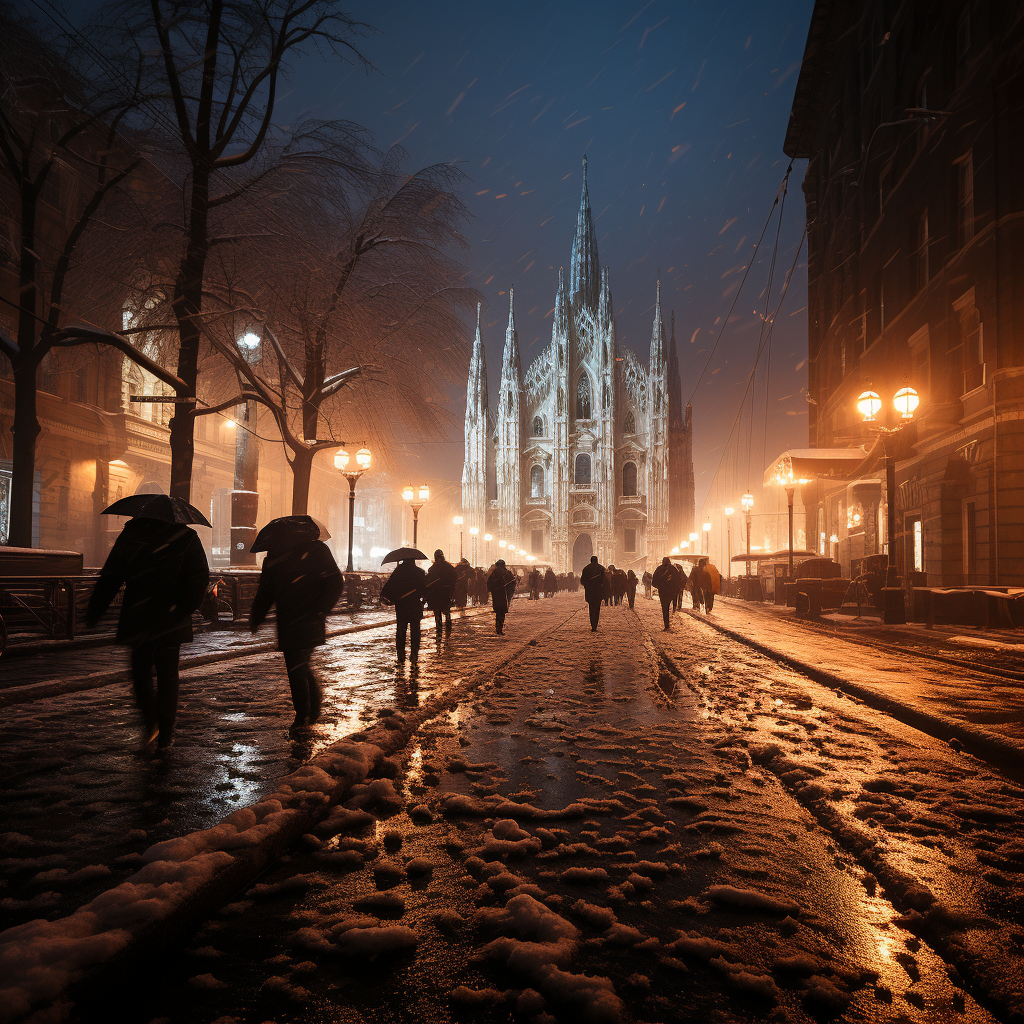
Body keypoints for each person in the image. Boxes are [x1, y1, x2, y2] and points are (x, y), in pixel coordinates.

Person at [87, 516, 209, 751]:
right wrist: (184, 609)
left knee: (140, 671)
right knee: (168, 674)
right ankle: (165, 727)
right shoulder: (186, 537)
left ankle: (150, 720)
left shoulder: (132, 535)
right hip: (170, 618)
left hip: (138, 615)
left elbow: (111, 576)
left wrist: (95, 610)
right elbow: (199, 576)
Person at [249, 520, 344, 732]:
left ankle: (304, 714)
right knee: (297, 666)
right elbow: (267, 592)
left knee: (297, 666)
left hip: (303, 618)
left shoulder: (300, 553)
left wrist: (320, 610)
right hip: (297, 619)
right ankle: (308, 709)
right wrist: (257, 616)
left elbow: (335, 582)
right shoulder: (311, 551)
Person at [381, 558, 426, 666]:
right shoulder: (420, 572)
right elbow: (424, 589)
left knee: (401, 630)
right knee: (415, 630)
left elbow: (388, 588)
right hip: (415, 605)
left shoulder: (398, 571)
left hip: (401, 605)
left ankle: (401, 656)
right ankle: (414, 654)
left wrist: (390, 598)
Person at [425, 549, 457, 634]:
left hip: (439, 593)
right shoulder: (448, 567)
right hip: (444, 593)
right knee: (444, 612)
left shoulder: (433, 569)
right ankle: (445, 628)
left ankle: (441, 628)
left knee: (440, 612)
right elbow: (454, 579)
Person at [487, 558, 516, 634]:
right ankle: (498, 629)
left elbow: (512, 583)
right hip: (497, 596)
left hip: (504, 596)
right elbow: (489, 584)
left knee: (501, 613)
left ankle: (499, 628)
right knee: (499, 612)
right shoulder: (494, 575)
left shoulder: (507, 574)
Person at [652, 556, 681, 631]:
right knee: (668, 606)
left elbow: (654, 582)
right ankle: (667, 624)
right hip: (671, 592)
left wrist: (660, 586)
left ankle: (666, 625)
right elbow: (678, 580)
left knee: (664, 608)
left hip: (663, 592)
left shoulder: (659, 569)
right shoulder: (673, 569)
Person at [580, 555, 607, 632]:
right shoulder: (601, 568)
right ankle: (595, 624)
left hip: (590, 592)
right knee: (597, 608)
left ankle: (592, 625)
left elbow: (582, 581)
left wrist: (587, 586)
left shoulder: (586, 568)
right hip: (598, 592)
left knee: (591, 608)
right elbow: (605, 581)